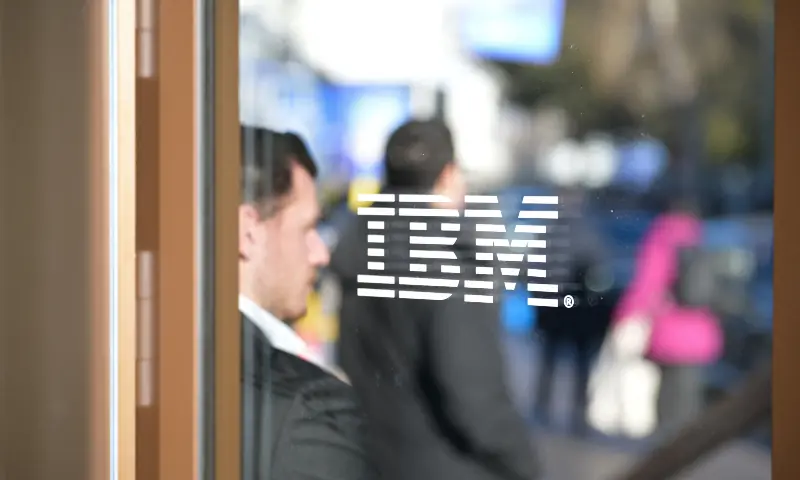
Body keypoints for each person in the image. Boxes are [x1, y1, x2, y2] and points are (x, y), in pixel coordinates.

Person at [330, 119, 543, 480]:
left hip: (370, 462)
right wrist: (525, 468)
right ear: (448, 176)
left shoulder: (357, 249)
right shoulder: (450, 263)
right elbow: (477, 402)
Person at [238, 126, 378, 480]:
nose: (320, 253)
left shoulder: (137, 360)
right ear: (248, 231)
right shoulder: (309, 408)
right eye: (307, 229)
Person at [612, 197, 723, 436]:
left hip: (668, 332)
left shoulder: (662, 239)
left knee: (666, 400)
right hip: (700, 334)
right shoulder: (700, 240)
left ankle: (667, 456)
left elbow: (646, 286)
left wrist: (625, 317)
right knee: (687, 399)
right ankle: (687, 451)